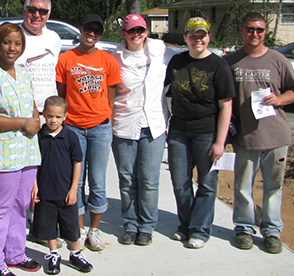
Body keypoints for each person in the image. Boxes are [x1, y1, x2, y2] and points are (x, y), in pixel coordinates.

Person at [224, 12, 294, 254]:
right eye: (250, 29)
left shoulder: (278, 60)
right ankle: (244, 228)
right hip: (245, 136)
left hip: (276, 135)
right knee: (243, 186)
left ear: (266, 33)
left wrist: (279, 99)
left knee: (273, 186)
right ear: (241, 30)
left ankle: (272, 231)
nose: (255, 34)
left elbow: (293, 91)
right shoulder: (230, 61)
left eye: (260, 30)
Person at [165, 17, 234, 249]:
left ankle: (200, 230)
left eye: (202, 35)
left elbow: (226, 106)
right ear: (185, 37)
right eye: (193, 36)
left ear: (208, 38)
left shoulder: (219, 65)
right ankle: (185, 225)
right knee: (179, 182)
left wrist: (220, 142)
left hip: (207, 132)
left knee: (206, 183)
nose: (198, 40)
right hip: (178, 131)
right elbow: (162, 91)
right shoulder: (176, 62)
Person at [0, 23, 41, 276]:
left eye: (17, 43)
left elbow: (32, 104)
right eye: (6, 42)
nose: (12, 48)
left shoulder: (24, 73)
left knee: (20, 206)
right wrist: (23, 123)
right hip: (2, 154)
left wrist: (35, 119)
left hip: (27, 152)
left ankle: (14, 254)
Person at [56, 14, 121, 251]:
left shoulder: (108, 61)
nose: (92, 33)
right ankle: (79, 228)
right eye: (88, 28)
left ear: (101, 34)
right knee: (76, 180)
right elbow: (62, 95)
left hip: (100, 127)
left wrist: (106, 121)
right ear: (81, 30)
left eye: (97, 30)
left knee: (98, 180)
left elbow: (110, 97)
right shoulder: (66, 59)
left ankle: (95, 229)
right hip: (73, 126)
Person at [111, 14, 175, 246]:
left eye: (140, 30)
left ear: (146, 32)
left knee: (149, 180)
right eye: (131, 31)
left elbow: (188, 59)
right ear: (123, 34)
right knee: (127, 180)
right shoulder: (115, 57)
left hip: (153, 125)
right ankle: (130, 224)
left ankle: (147, 226)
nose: (136, 35)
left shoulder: (160, 51)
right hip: (125, 124)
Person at [31, 96, 93, 274]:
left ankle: (75, 253)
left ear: (65, 117)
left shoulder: (70, 137)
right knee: (49, 226)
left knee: (71, 226)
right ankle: (53, 254)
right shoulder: (38, 137)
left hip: (66, 192)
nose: (53, 120)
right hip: (45, 191)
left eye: (58, 117)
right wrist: (34, 185)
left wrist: (74, 188)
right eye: (50, 116)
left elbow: (77, 163)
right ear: (43, 114)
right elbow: (34, 162)